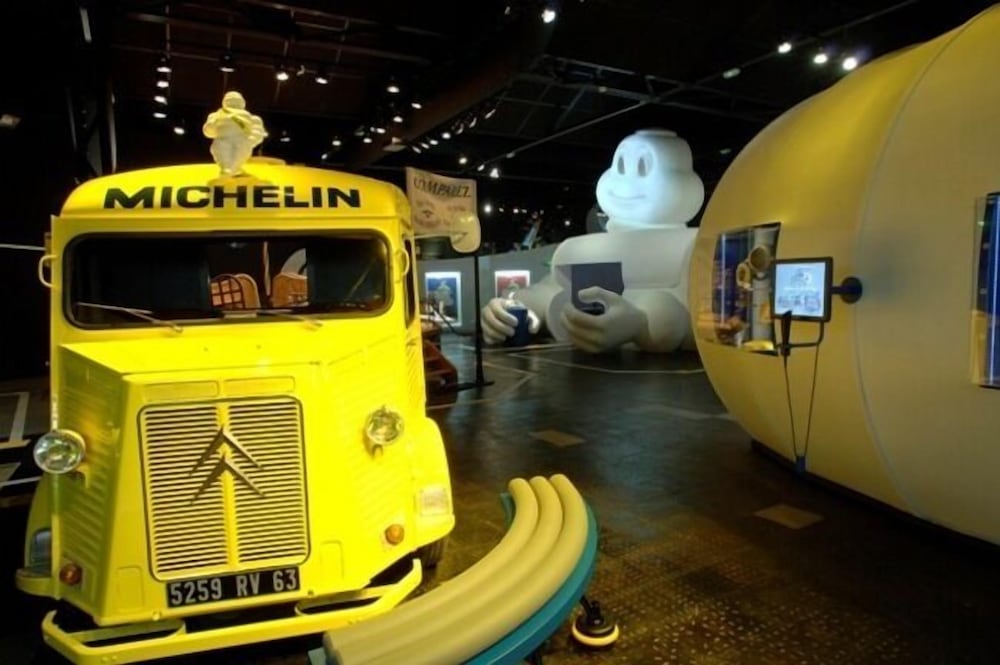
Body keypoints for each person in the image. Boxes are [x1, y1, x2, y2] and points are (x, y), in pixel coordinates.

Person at [480, 129, 704, 353]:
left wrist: (641, 324)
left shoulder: (695, 246)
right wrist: (513, 308)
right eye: (621, 166)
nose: (626, 182)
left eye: (642, 167)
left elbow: (697, 315)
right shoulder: (580, 250)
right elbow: (551, 291)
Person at [202, 91, 268, 176]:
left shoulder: (216, 115)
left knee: (229, 155)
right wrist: (251, 141)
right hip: (234, 140)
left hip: (229, 140)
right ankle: (230, 169)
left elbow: (208, 131)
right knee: (231, 155)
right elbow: (208, 130)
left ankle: (230, 169)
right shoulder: (216, 115)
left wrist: (251, 140)